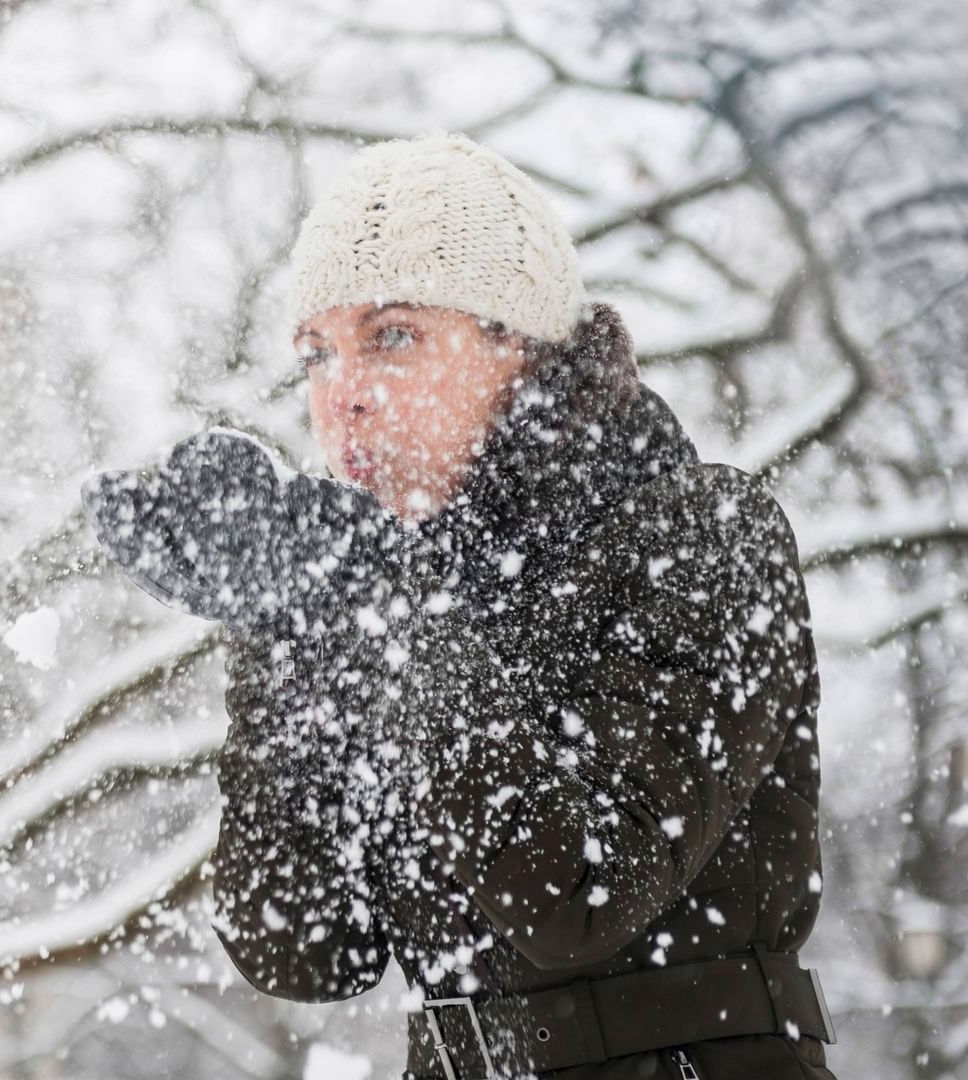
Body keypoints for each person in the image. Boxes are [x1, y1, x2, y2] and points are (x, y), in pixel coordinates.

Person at [91, 130, 840, 1079]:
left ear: (519, 343)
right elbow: (305, 945)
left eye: (393, 336)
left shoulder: (702, 533)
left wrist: (362, 595)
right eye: (316, 355)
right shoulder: (388, 589)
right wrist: (282, 621)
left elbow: (577, 894)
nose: (343, 397)